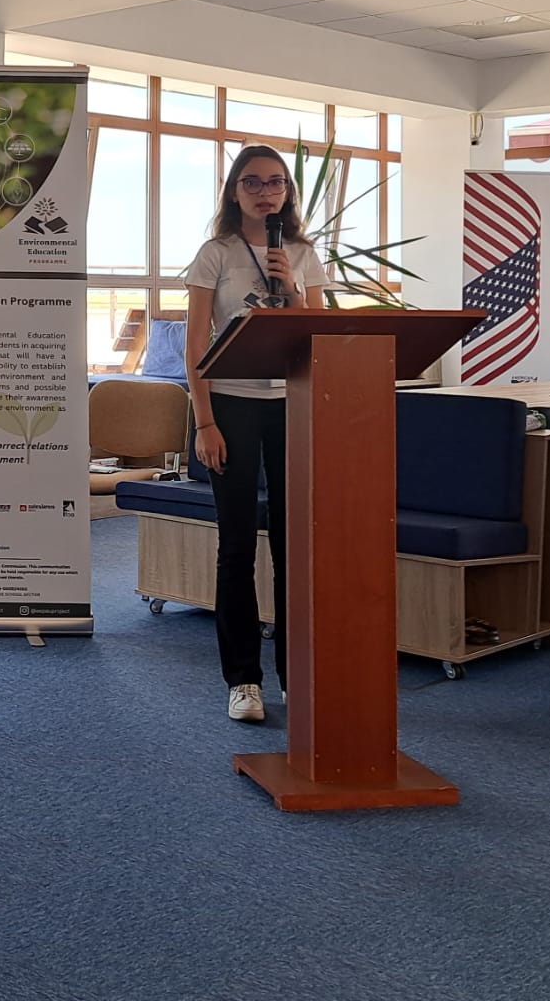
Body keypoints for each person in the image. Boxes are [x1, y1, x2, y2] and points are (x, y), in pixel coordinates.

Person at [183, 144, 328, 724]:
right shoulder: (214, 254)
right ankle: (243, 679)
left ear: (288, 191)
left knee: (294, 544)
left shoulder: (303, 253)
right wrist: (205, 421)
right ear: (234, 191)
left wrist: (290, 286)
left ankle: (297, 674)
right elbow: (196, 345)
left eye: (275, 182)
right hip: (231, 406)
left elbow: (318, 335)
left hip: (292, 406)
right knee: (238, 544)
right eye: (252, 182)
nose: (265, 192)